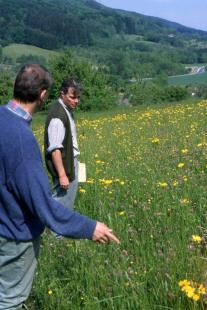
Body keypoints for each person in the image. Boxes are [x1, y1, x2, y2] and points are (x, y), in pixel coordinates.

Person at [0, 64, 120, 310]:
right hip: (14, 235)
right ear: (43, 94)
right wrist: (89, 227)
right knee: (9, 301)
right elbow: (43, 205)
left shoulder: (3, 119)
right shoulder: (22, 141)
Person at [44, 77, 82, 213]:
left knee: (67, 201)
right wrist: (62, 175)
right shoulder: (57, 116)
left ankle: (58, 231)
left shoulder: (66, 110)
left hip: (70, 162)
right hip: (65, 167)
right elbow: (55, 149)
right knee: (60, 201)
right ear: (62, 94)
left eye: (78, 97)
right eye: (72, 97)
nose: (76, 101)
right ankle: (54, 233)